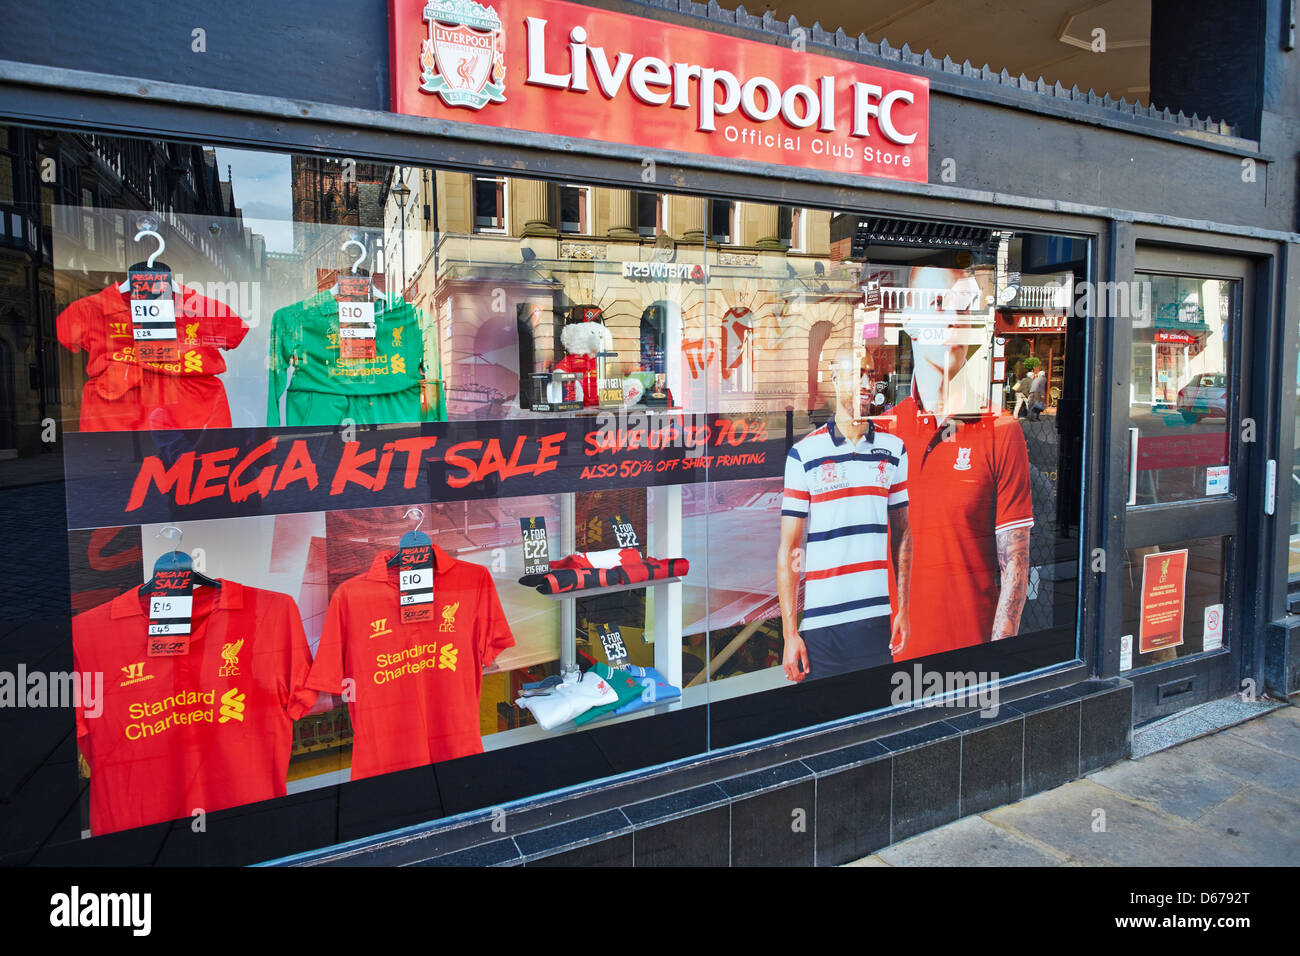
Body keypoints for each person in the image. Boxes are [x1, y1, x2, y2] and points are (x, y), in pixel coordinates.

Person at [884, 265, 1033, 659]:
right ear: (910, 322)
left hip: (968, 660)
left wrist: (998, 660)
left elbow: (1015, 564)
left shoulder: (1001, 431)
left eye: (962, 307)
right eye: (937, 304)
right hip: (888, 661)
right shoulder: (884, 431)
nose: (952, 318)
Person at [777, 348, 912, 681]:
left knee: (877, 717)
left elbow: (904, 535)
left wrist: (903, 609)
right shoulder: (804, 454)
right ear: (835, 379)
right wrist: (789, 633)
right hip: (822, 623)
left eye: (869, 374)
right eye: (855, 374)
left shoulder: (894, 450)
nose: (865, 383)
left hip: (876, 616)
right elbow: (791, 548)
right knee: (825, 720)